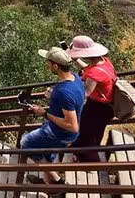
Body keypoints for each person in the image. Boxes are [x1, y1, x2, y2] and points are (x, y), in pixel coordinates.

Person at [21, 47, 85, 188]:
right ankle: (47, 182)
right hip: (62, 132)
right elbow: (73, 99)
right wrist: (53, 94)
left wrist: (44, 113)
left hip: (60, 133)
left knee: (25, 144)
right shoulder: (75, 78)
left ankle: (57, 181)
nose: (47, 65)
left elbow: (73, 126)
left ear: (56, 66)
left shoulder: (64, 92)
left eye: (48, 63)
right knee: (47, 151)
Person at [67, 36, 116, 162]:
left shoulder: (95, 73)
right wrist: (77, 60)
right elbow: (87, 69)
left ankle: (91, 163)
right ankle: (78, 152)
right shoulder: (103, 62)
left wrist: (65, 92)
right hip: (103, 106)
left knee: (90, 136)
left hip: (98, 108)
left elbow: (85, 93)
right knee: (89, 132)